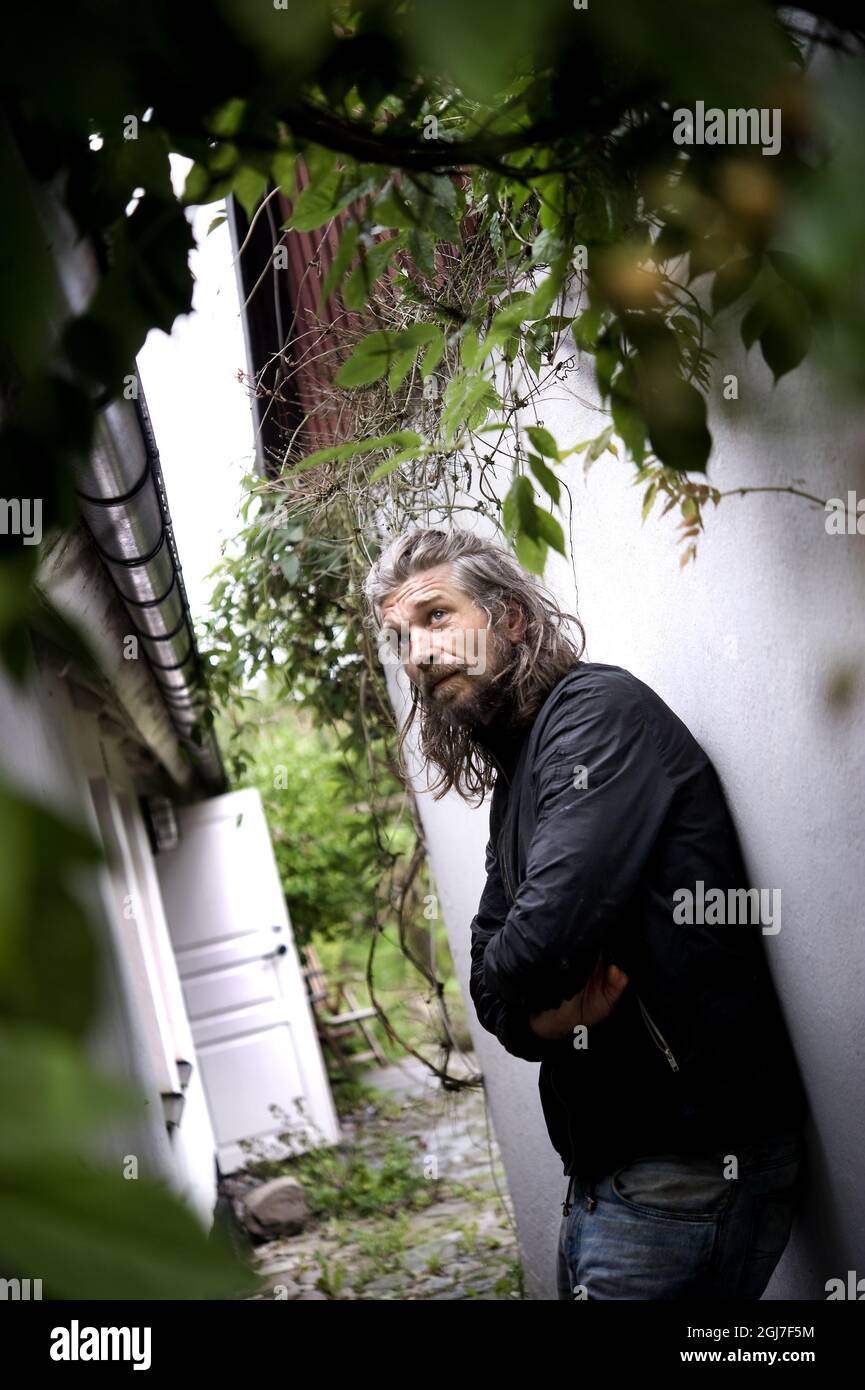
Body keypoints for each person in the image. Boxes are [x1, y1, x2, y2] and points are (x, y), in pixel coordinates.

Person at [363, 525, 809, 1301]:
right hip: (614, 1173)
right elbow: (492, 990)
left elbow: (533, 949)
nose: (419, 654)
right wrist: (532, 1019)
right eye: (402, 636)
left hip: (688, 1162)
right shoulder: (518, 779)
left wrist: (519, 991)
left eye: (436, 616)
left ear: (509, 618)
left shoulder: (597, 715)